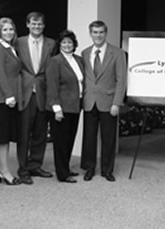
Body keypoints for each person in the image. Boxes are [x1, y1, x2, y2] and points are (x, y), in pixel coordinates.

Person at [80, 20, 126, 182]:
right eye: (95, 32)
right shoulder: (85, 53)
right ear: (90, 34)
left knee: (108, 138)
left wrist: (116, 103)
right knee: (89, 137)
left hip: (109, 102)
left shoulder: (118, 53)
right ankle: (89, 168)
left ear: (106, 34)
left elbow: (121, 80)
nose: (98, 35)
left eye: (101, 32)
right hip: (89, 101)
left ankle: (107, 170)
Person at [15, 12, 56, 184]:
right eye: (33, 24)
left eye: (39, 24)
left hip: (43, 91)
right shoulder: (18, 42)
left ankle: (35, 165)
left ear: (44, 25)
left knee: (40, 132)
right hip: (24, 91)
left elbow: (53, 68)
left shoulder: (51, 43)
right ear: (27, 25)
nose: (37, 27)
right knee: (24, 132)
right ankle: (23, 168)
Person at [46, 30, 84, 183]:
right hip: (61, 108)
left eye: (70, 42)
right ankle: (62, 174)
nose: (67, 45)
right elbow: (52, 86)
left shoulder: (79, 60)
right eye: (64, 42)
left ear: (74, 44)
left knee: (69, 140)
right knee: (61, 142)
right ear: (59, 44)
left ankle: (65, 168)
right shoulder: (55, 61)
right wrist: (56, 108)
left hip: (75, 106)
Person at [0, 17, 21, 185]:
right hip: (4, 99)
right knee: (2, 137)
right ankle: (4, 171)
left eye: (11, 29)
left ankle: (3, 169)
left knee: (7, 136)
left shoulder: (11, 48)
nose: (9, 32)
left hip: (12, 97)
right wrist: (9, 95)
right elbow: (0, 73)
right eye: (5, 30)